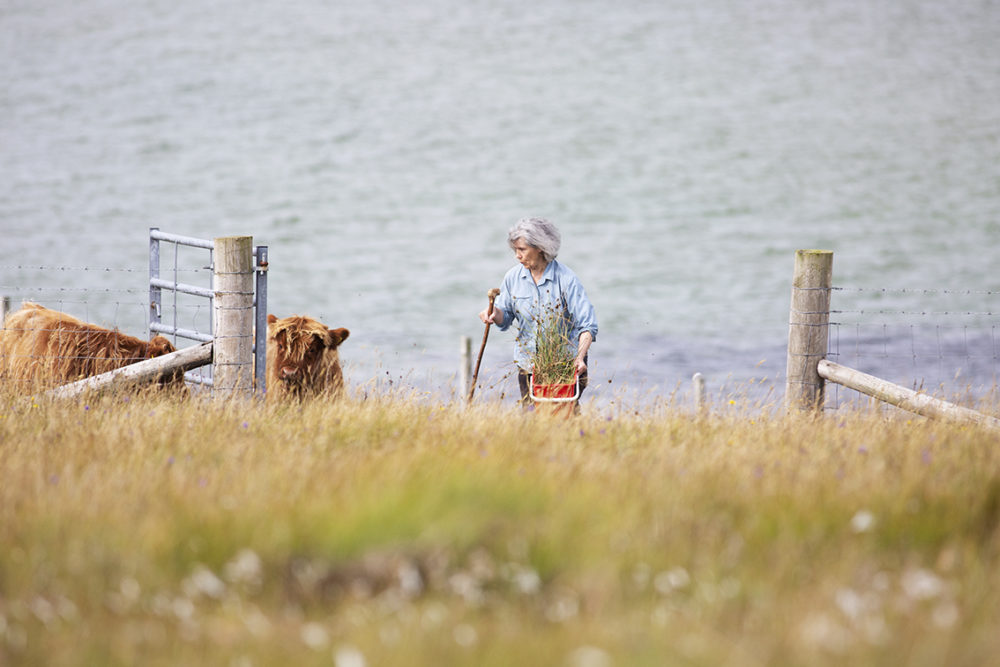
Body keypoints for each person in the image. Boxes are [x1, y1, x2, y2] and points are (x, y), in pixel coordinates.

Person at [479, 217, 598, 409]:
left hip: (566, 366)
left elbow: (588, 326)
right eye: (515, 250)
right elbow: (505, 317)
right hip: (528, 366)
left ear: (540, 247)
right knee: (533, 420)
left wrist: (580, 357)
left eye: (522, 250)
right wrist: (493, 313)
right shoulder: (513, 278)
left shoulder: (567, 279)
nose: (517, 255)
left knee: (561, 417)